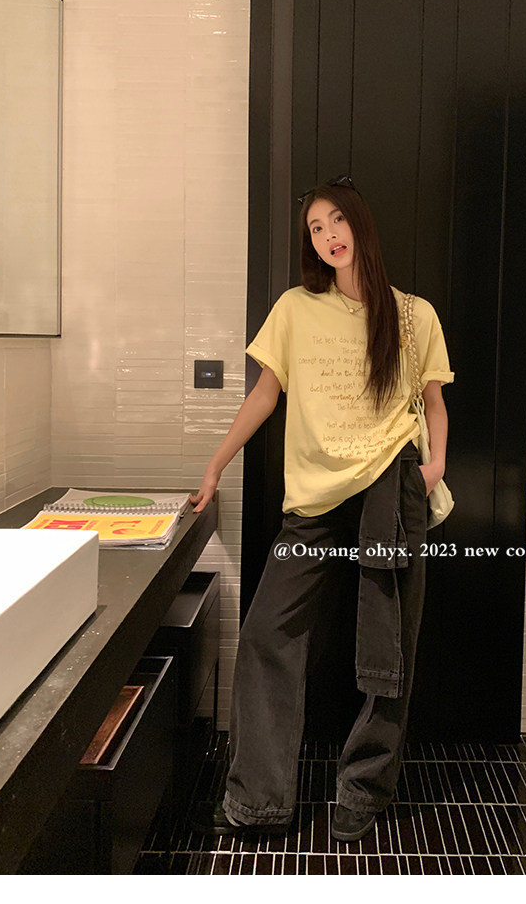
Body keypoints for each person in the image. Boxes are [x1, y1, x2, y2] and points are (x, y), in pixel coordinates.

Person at [190, 175, 454, 842]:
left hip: (391, 487)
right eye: (315, 227)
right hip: (314, 499)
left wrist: (433, 469)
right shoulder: (295, 309)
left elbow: (434, 403)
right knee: (266, 633)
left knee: (388, 648)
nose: (328, 235)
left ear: (360, 223)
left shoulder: (414, 315)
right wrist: (216, 463)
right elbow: (264, 394)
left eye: (337, 220)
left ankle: (364, 789)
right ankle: (257, 799)